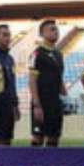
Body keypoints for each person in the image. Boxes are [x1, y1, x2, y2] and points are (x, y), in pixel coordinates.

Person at [29, 19, 66, 147]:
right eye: (52, 29)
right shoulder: (36, 54)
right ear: (42, 34)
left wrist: (65, 94)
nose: (56, 32)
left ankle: (53, 165)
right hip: (42, 101)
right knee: (38, 138)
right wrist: (36, 105)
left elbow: (59, 77)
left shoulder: (58, 54)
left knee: (54, 138)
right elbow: (32, 80)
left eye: (56, 29)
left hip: (55, 102)